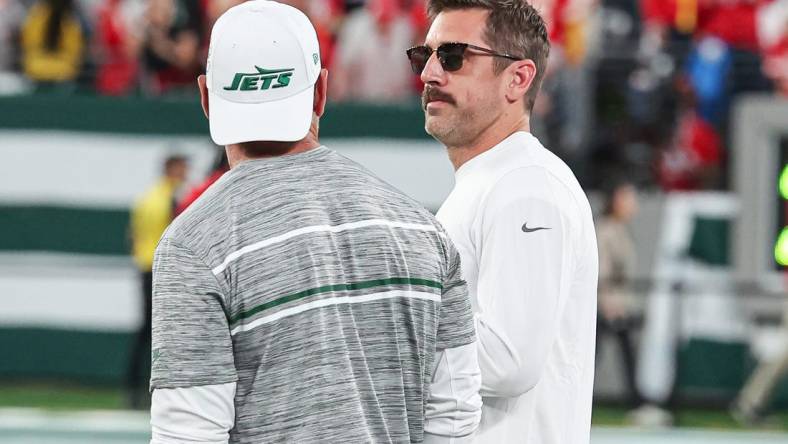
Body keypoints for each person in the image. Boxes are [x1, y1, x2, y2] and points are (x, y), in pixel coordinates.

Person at [149, 2, 482, 443]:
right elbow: (455, 418)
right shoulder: (424, 232)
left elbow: (187, 434)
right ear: (321, 92)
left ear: (207, 97)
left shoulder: (193, 245)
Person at [408, 1, 598, 442]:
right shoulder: (494, 180)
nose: (430, 74)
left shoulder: (526, 185)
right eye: (425, 56)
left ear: (518, 78)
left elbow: (510, 359)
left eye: (453, 57)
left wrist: (385, 324)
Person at [127, 154, 188, 409]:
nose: (186, 172)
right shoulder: (174, 198)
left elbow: (131, 235)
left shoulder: (145, 198)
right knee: (165, 332)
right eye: (183, 168)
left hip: (144, 267)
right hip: (163, 269)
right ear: (172, 169)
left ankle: (132, 387)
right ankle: (158, 390)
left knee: (146, 331)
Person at [595, 178, 644, 410]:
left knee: (625, 354)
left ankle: (635, 402)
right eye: (628, 198)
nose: (633, 204)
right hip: (603, 305)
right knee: (592, 356)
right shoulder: (605, 229)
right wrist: (610, 304)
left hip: (618, 303)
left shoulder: (621, 229)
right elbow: (602, 272)